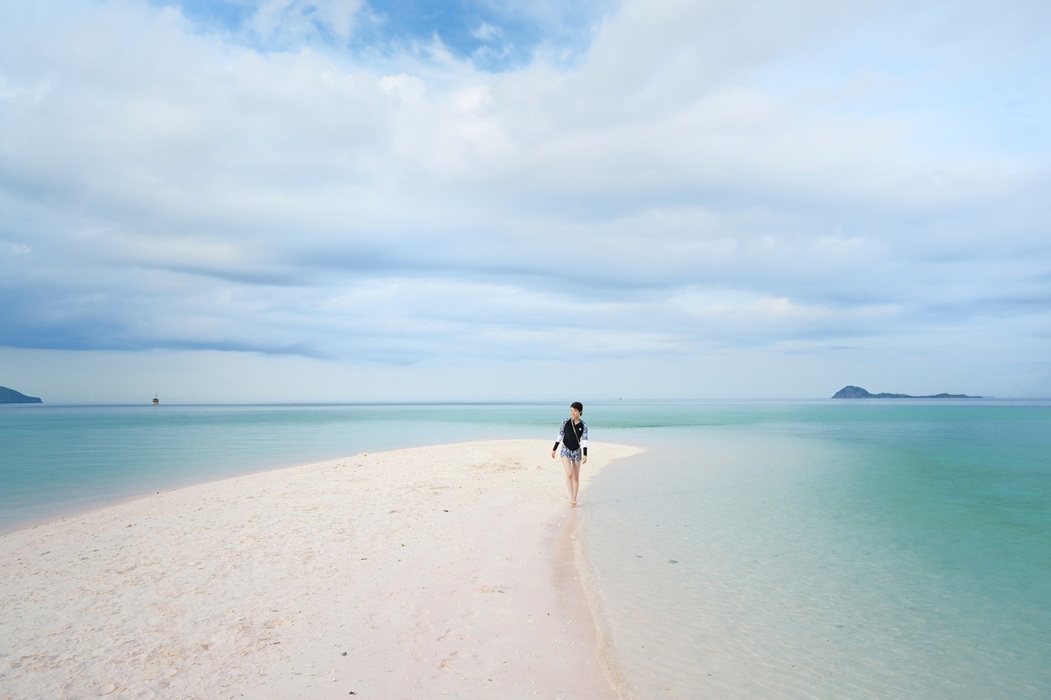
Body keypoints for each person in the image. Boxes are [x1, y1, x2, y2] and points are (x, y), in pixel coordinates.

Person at [551, 401, 588, 506]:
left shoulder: (583, 425)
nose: (572, 412)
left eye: (575, 410)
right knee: (569, 473)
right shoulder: (565, 421)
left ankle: (574, 498)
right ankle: (572, 498)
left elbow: (585, 440)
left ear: (580, 412)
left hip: (578, 451)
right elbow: (560, 435)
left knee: (576, 477)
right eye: (571, 410)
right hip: (565, 449)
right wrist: (554, 449)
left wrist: (585, 454)